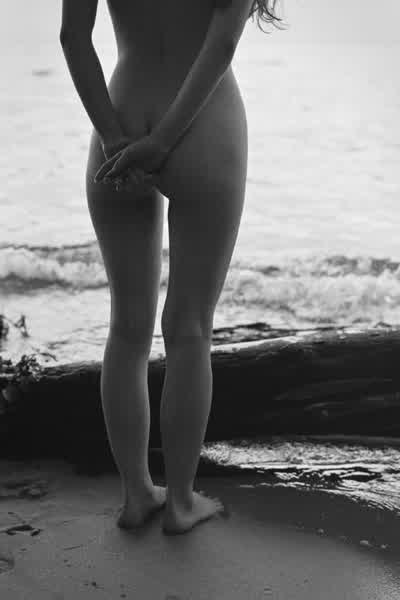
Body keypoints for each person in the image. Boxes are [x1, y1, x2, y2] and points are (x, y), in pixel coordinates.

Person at [60, 0, 285, 535]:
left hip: (119, 114)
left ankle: (137, 495)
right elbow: (222, 43)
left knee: (126, 327)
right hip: (203, 124)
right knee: (189, 329)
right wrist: (163, 141)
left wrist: (115, 137)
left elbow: (74, 38)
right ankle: (181, 502)